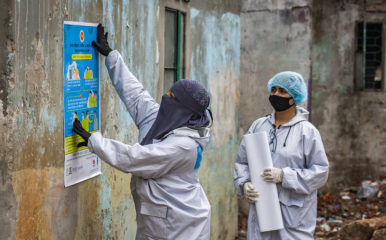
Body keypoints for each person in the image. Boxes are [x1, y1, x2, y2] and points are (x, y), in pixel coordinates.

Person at [72, 24, 213, 240]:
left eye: (172, 96)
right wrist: (111, 56)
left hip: (178, 226)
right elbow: (136, 96)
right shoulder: (166, 121)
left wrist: (94, 141)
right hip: (161, 218)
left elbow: (134, 158)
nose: (166, 97)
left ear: (184, 108)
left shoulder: (183, 146)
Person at [234, 71, 329, 239]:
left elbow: (320, 172)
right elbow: (242, 161)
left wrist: (284, 176)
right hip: (262, 210)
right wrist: (244, 184)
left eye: (282, 91)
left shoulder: (307, 132)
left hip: (293, 214)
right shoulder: (258, 125)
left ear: (294, 97)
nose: (276, 94)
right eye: (274, 90)